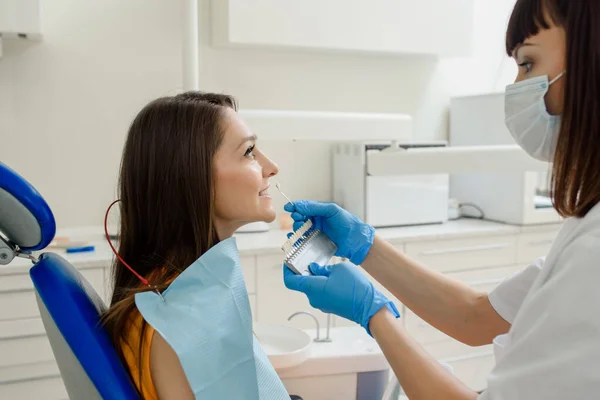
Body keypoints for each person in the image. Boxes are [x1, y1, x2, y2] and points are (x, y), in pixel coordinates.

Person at [284, 0, 600, 398]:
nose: (518, 87)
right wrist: (366, 246)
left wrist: (375, 314)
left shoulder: (594, 250)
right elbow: (476, 317)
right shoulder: (586, 227)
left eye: (528, 63)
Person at [101, 92, 280, 399]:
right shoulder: (174, 324)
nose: (271, 167)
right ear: (192, 175)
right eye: (249, 151)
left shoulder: (190, 291)